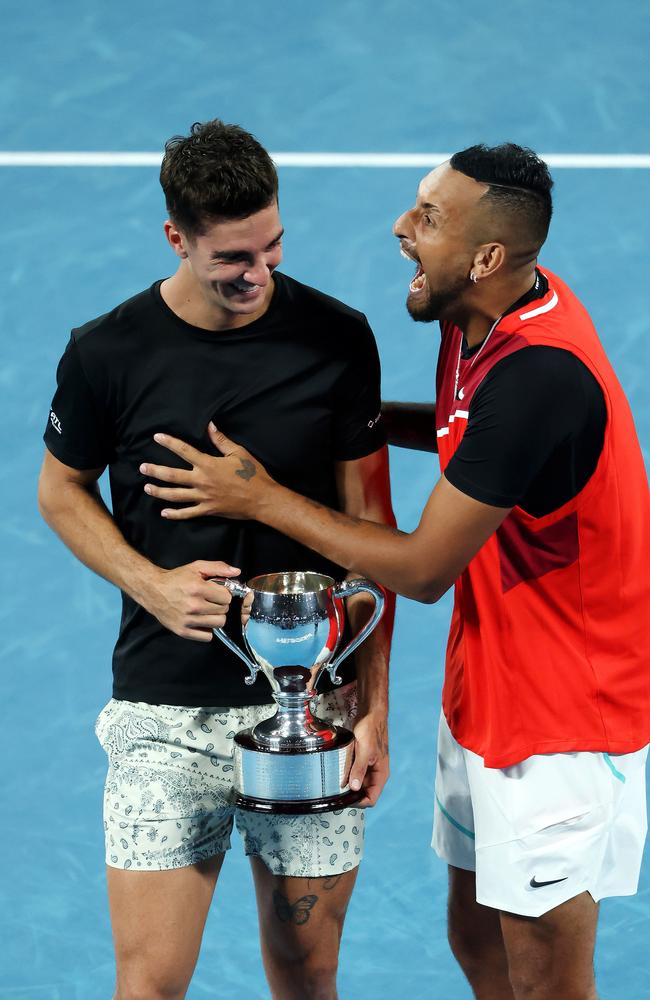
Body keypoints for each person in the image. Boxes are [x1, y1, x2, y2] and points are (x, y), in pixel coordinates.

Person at [142, 143, 650, 1000]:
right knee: (477, 941)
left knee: (550, 983)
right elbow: (462, 429)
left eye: (429, 218)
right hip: (491, 689)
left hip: (564, 721)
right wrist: (336, 421)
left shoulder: (540, 382)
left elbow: (419, 569)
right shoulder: (478, 315)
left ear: (487, 256)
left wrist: (260, 497)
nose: (401, 228)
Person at [38, 119, 395, 1000]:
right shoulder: (106, 352)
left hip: (315, 711)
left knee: (310, 979)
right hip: (162, 711)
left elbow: (373, 530)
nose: (259, 273)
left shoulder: (337, 338)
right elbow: (60, 491)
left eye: (273, 245)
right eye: (234, 256)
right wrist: (150, 584)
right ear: (177, 238)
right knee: (149, 984)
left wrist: (375, 709)